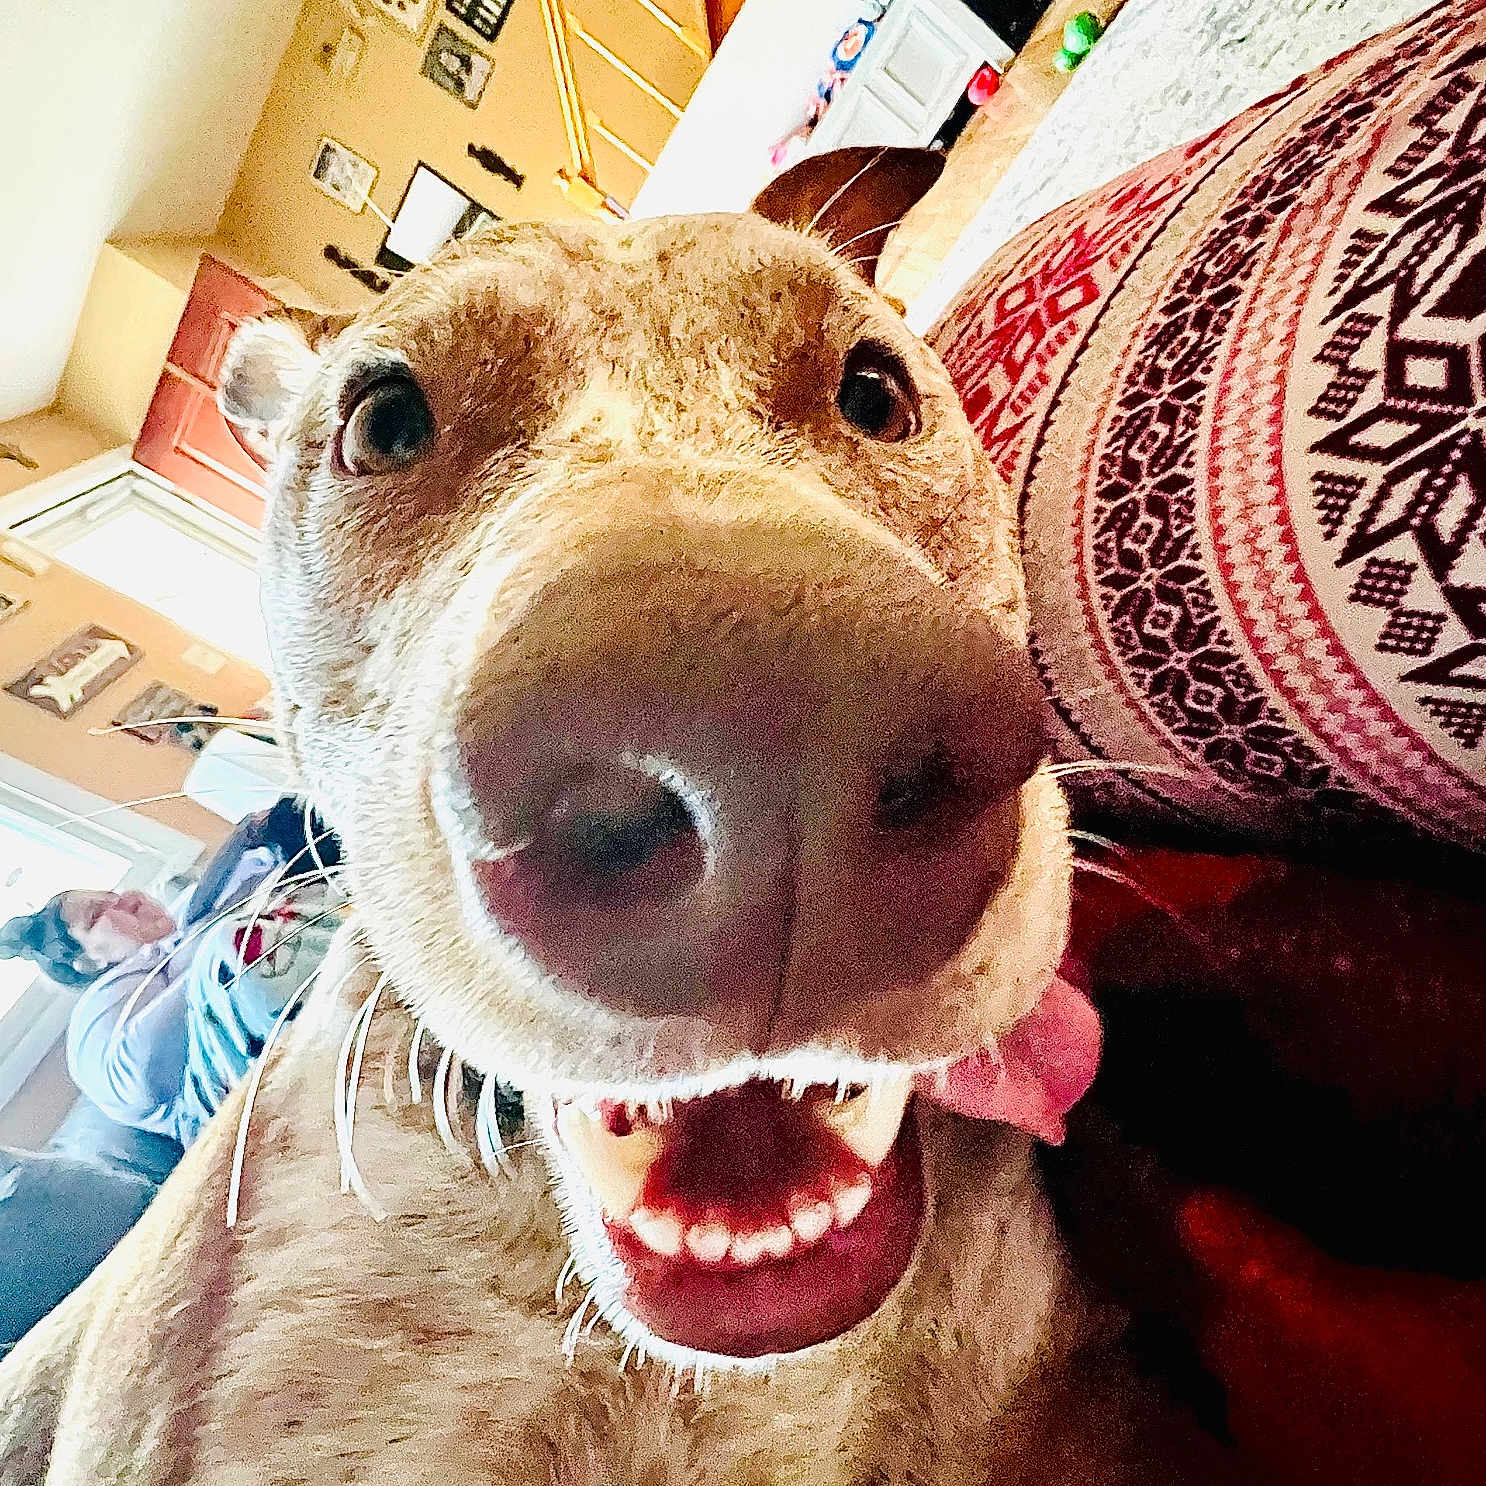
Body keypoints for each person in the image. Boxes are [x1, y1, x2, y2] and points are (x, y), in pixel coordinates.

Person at [0, 796, 343, 1148]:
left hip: (264, 977)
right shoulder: (96, 1011)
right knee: (231, 947)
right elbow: (144, 1079)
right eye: (98, 912)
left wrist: (254, 833)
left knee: (284, 825)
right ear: (87, 962)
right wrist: (200, 949)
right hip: (230, 1105)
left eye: (113, 893)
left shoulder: (180, 928)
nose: (126, 898)